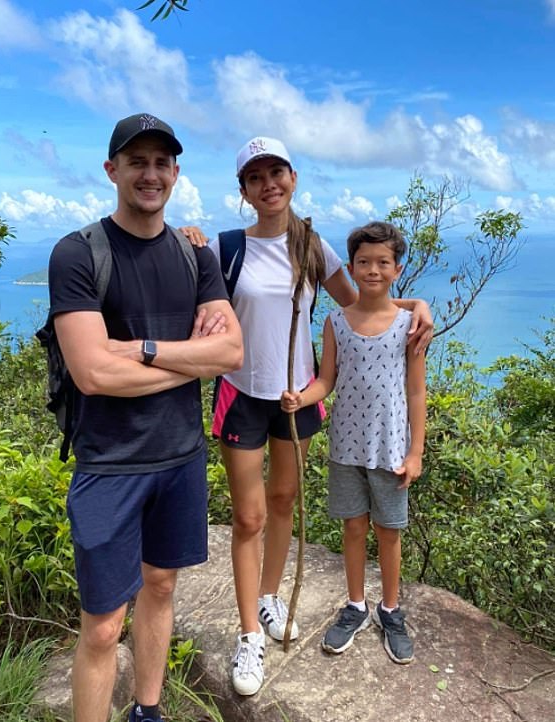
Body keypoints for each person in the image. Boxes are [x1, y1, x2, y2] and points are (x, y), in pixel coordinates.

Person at [182, 138, 432, 695]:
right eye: (255, 177)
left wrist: (419, 306)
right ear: (243, 190)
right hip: (242, 391)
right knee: (247, 518)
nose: (268, 183)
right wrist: (187, 238)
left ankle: (270, 597)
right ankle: (250, 634)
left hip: (299, 396)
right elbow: (191, 293)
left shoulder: (314, 246)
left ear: (292, 177)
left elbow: (363, 303)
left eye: (277, 172)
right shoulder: (227, 248)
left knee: (282, 503)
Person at [47, 113, 242, 722]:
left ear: (176, 173)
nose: (150, 174)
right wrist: (194, 362)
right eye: (137, 162)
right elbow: (93, 374)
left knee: (161, 588)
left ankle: (147, 712)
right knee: (103, 627)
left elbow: (232, 352)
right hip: (109, 464)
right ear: (113, 171)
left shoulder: (194, 255)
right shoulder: (78, 254)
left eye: (162, 162)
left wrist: (144, 350)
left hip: (180, 457)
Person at [282, 221, 426, 665]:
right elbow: (327, 380)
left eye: (383, 262)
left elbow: (417, 390)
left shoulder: (410, 326)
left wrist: (416, 452)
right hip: (346, 446)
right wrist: (300, 397)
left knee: (389, 531)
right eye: (364, 262)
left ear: (398, 269)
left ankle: (390, 609)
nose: (373, 270)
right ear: (350, 266)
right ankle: (356, 605)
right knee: (353, 527)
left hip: (390, 448)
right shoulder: (335, 322)